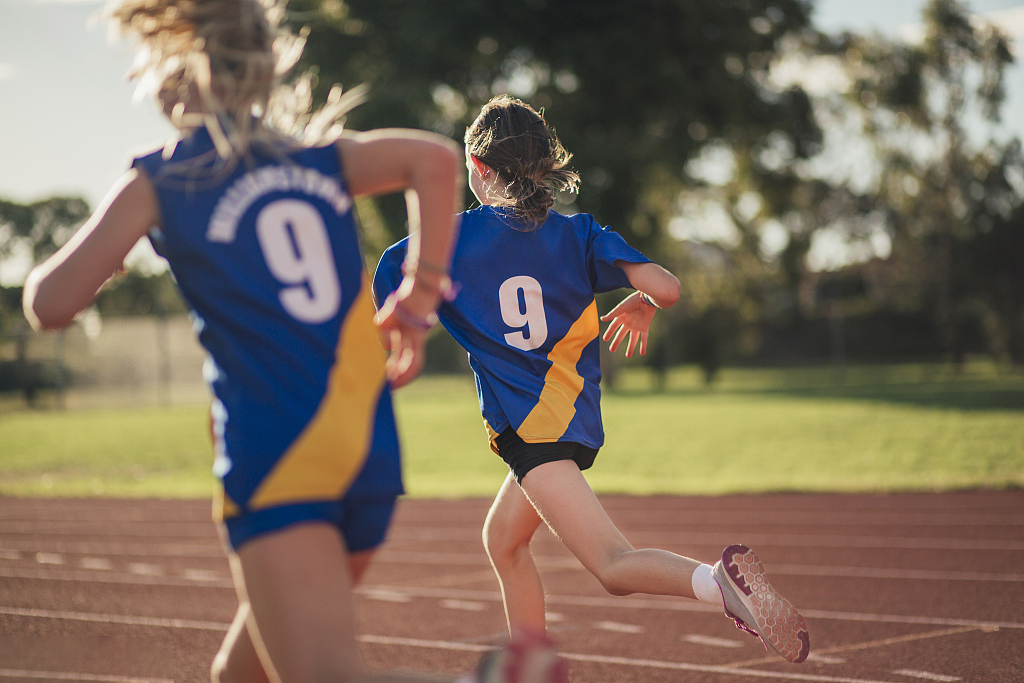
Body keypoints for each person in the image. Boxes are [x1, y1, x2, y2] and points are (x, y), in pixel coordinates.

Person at [18, 1, 478, 681]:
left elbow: (48, 303)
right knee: (241, 675)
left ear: (175, 73)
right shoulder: (319, 159)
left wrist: (111, 252)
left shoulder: (163, 178)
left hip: (278, 450)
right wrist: (417, 299)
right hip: (366, 446)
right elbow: (436, 162)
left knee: (322, 672)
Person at [374, 95, 811, 668]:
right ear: (540, 166)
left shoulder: (444, 243)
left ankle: (718, 583)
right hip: (574, 421)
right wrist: (645, 304)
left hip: (533, 434)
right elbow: (669, 288)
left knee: (612, 567)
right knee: (503, 542)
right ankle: (529, 669)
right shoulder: (578, 232)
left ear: (477, 169)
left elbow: (386, 307)